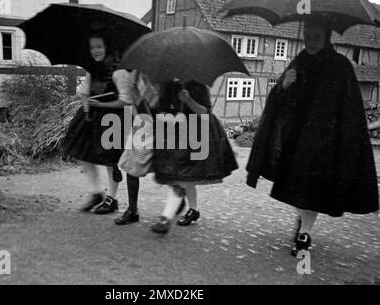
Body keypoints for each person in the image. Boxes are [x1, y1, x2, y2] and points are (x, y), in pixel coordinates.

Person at [246, 19, 379, 255]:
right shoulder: (299, 62)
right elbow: (278, 100)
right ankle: (303, 222)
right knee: (298, 189)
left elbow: (350, 109)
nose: (309, 40)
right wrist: (283, 86)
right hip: (295, 139)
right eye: (307, 35)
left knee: (311, 190)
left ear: (326, 36)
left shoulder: (340, 66)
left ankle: (304, 234)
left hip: (325, 142)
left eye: (315, 36)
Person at [150, 80, 239, 234]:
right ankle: (193, 209)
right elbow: (160, 109)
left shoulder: (198, 85)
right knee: (185, 176)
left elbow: (204, 113)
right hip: (175, 134)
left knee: (182, 177)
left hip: (197, 135)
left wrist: (188, 100)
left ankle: (166, 217)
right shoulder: (168, 84)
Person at [62, 34, 131, 214]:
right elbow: (85, 92)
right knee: (80, 151)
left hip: (113, 118)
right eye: (92, 47)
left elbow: (126, 101)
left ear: (107, 47)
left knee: (110, 160)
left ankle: (112, 198)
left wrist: (101, 104)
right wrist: (85, 101)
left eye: (99, 46)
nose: (96, 51)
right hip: (92, 115)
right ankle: (96, 192)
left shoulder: (119, 72)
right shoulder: (91, 69)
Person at [114, 71, 186, 225]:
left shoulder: (172, 81)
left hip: (166, 126)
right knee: (132, 165)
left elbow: (178, 108)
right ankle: (132, 210)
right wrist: (139, 117)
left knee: (167, 168)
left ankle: (177, 199)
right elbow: (131, 103)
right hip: (143, 124)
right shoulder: (135, 77)